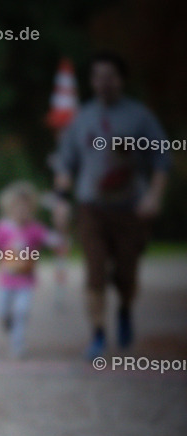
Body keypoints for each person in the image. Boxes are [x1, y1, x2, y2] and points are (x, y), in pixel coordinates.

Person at [52, 51, 170, 359]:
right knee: (94, 273)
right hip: (91, 207)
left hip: (131, 208)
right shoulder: (81, 118)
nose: (104, 82)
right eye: (98, 76)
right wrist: (61, 202)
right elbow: (65, 163)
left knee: (125, 276)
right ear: (91, 81)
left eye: (110, 76)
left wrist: (154, 196)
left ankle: (125, 309)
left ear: (121, 79)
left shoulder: (139, 117)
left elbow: (162, 159)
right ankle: (98, 333)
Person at [0, 181, 65, 359]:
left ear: (31, 209)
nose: (21, 211)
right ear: (8, 208)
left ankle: (18, 343)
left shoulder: (35, 228)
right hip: (6, 280)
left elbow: (52, 239)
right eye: (17, 207)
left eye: (25, 207)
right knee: (2, 311)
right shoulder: (2, 228)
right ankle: (9, 325)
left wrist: (60, 239)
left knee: (21, 311)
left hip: (26, 280)